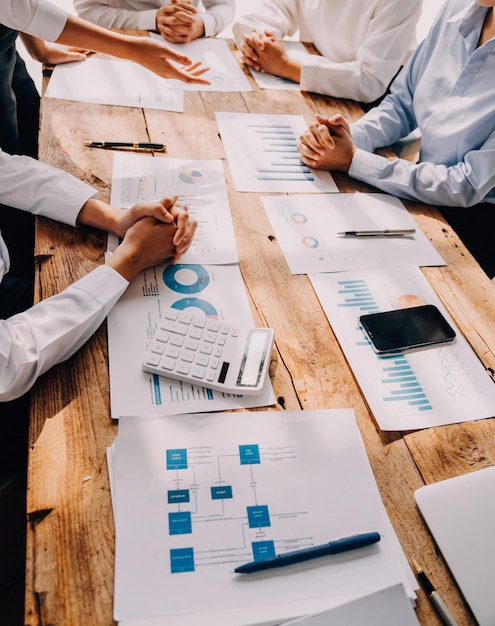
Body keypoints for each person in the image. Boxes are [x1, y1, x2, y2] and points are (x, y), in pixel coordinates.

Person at [298, 0, 495, 277]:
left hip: (475, 224)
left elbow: (466, 183)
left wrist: (354, 160)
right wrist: (344, 138)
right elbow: (403, 102)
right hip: (418, 190)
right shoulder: (458, 9)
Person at [232, 0, 422, 104]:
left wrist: (284, 66)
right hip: (319, 73)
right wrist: (259, 41)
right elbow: (277, 9)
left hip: (380, 97)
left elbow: (370, 80)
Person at [74, 0, 235, 43]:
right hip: (124, 46)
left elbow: (224, 4)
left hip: (190, 46)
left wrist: (202, 23)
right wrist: (153, 20)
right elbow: (88, 10)